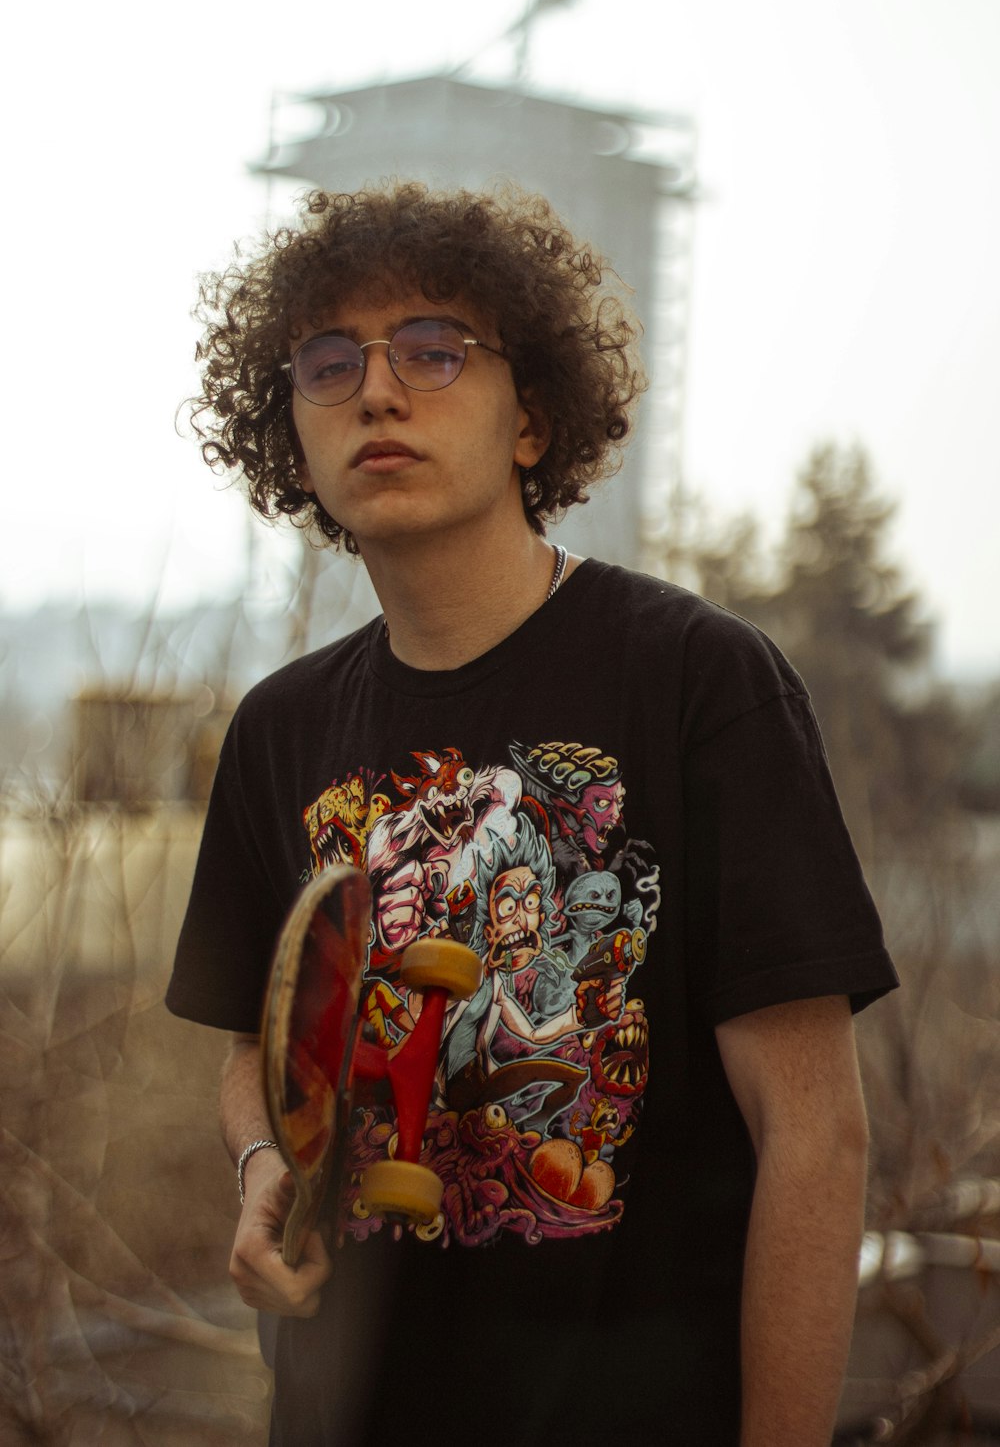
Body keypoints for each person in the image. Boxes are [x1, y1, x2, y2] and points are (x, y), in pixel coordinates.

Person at [166, 182, 897, 1447]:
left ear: (532, 417)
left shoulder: (696, 681)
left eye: (433, 350)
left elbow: (815, 1137)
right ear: (289, 427)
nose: (378, 392)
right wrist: (259, 1164)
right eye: (330, 363)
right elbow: (256, 1042)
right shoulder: (278, 728)